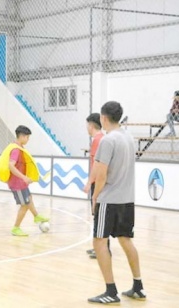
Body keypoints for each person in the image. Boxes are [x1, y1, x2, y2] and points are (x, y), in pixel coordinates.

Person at [89, 101, 146, 304]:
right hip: (127, 200)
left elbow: (101, 175)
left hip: (110, 200)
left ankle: (110, 291)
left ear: (103, 118)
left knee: (99, 242)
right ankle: (138, 286)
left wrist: (95, 197)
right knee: (125, 240)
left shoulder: (108, 140)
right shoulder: (128, 137)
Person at [6, 125, 49, 237]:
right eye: (27, 137)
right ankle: (16, 228)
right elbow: (11, 165)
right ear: (22, 136)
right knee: (24, 205)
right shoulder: (16, 149)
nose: (28, 140)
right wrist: (23, 177)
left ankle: (36, 216)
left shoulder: (19, 147)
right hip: (17, 183)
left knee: (29, 198)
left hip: (21, 183)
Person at [82, 113, 108, 259]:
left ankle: (102, 249)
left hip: (98, 183)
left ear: (91, 125)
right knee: (98, 216)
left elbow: (98, 165)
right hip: (98, 182)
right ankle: (98, 247)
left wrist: (90, 184)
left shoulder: (98, 140)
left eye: (87, 125)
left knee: (99, 215)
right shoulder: (99, 139)